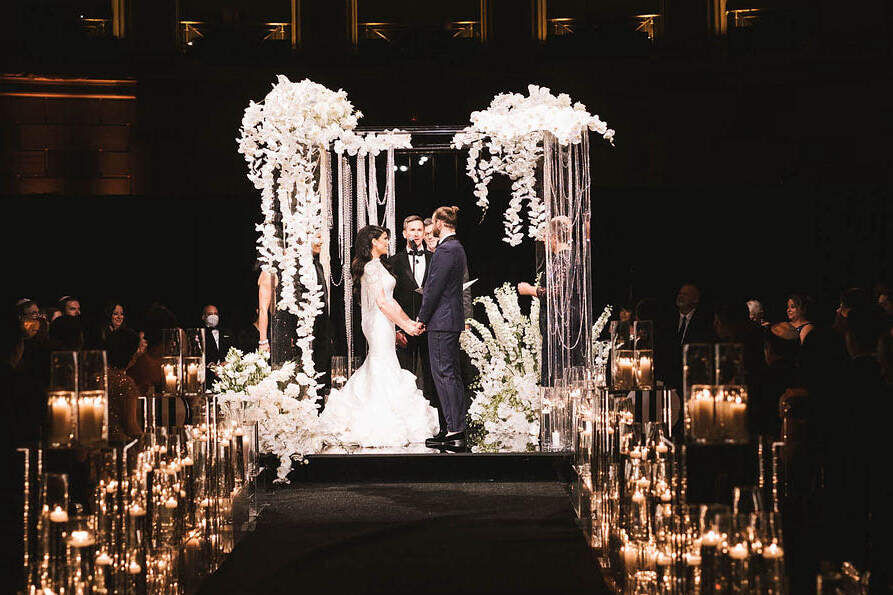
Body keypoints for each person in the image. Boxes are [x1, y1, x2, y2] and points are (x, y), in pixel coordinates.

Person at [319, 225, 436, 447]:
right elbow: (382, 302)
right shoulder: (370, 268)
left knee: (382, 364)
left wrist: (404, 324)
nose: (387, 242)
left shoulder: (379, 266)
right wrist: (407, 325)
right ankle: (377, 417)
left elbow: (391, 301)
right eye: (384, 239)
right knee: (382, 364)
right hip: (378, 323)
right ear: (373, 242)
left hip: (385, 322)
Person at [418, 207, 471, 449]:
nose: (432, 229)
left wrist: (422, 317)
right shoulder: (456, 247)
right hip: (449, 320)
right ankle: (453, 428)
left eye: (434, 224)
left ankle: (455, 431)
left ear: (440, 221)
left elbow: (433, 289)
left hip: (442, 321)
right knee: (450, 375)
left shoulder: (446, 249)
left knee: (444, 374)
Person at [387, 215, 439, 423]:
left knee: (430, 374)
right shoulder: (393, 261)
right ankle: (405, 420)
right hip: (404, 328)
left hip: (429, 326)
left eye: (419, 230)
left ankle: (432, 420)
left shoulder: (434, 258)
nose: (416, 234)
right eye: (412, 230)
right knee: (405, 374)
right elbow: (388, 299)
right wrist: (397, 329)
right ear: (404, 234)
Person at [105, 328, 143, 441]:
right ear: (131, 354)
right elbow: (131, 426)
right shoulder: (125, 384)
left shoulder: (97, 377)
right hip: (120, 444)